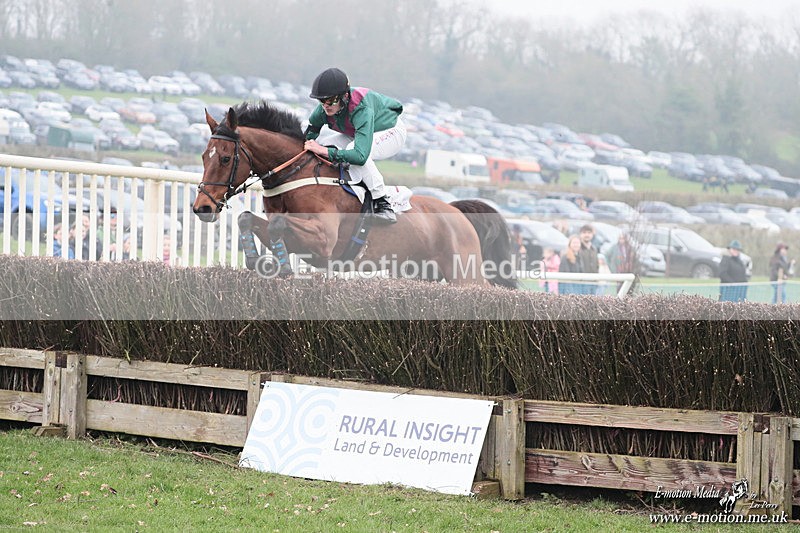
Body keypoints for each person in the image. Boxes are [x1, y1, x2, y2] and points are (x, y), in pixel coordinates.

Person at [303, 67, 407, 224]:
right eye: (322, 101)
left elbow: (360, 156)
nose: (326, 105)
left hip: (391, 131)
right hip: (359, 133)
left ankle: (382, 202)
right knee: (326, 143)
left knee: (350, 150)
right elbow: (307, 140)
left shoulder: (361, 108)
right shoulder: (323, 110)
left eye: (331, 100)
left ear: (345, 96)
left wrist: (323, 150)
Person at [576, 224, 599, 294]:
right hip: (581, 283)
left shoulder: (594, 249)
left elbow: (596, 266)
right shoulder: (577, 248)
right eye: (584, 233)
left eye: (589, 233)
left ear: (592, 234)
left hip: (593, 283)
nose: (587, 235)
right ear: (580, 234)